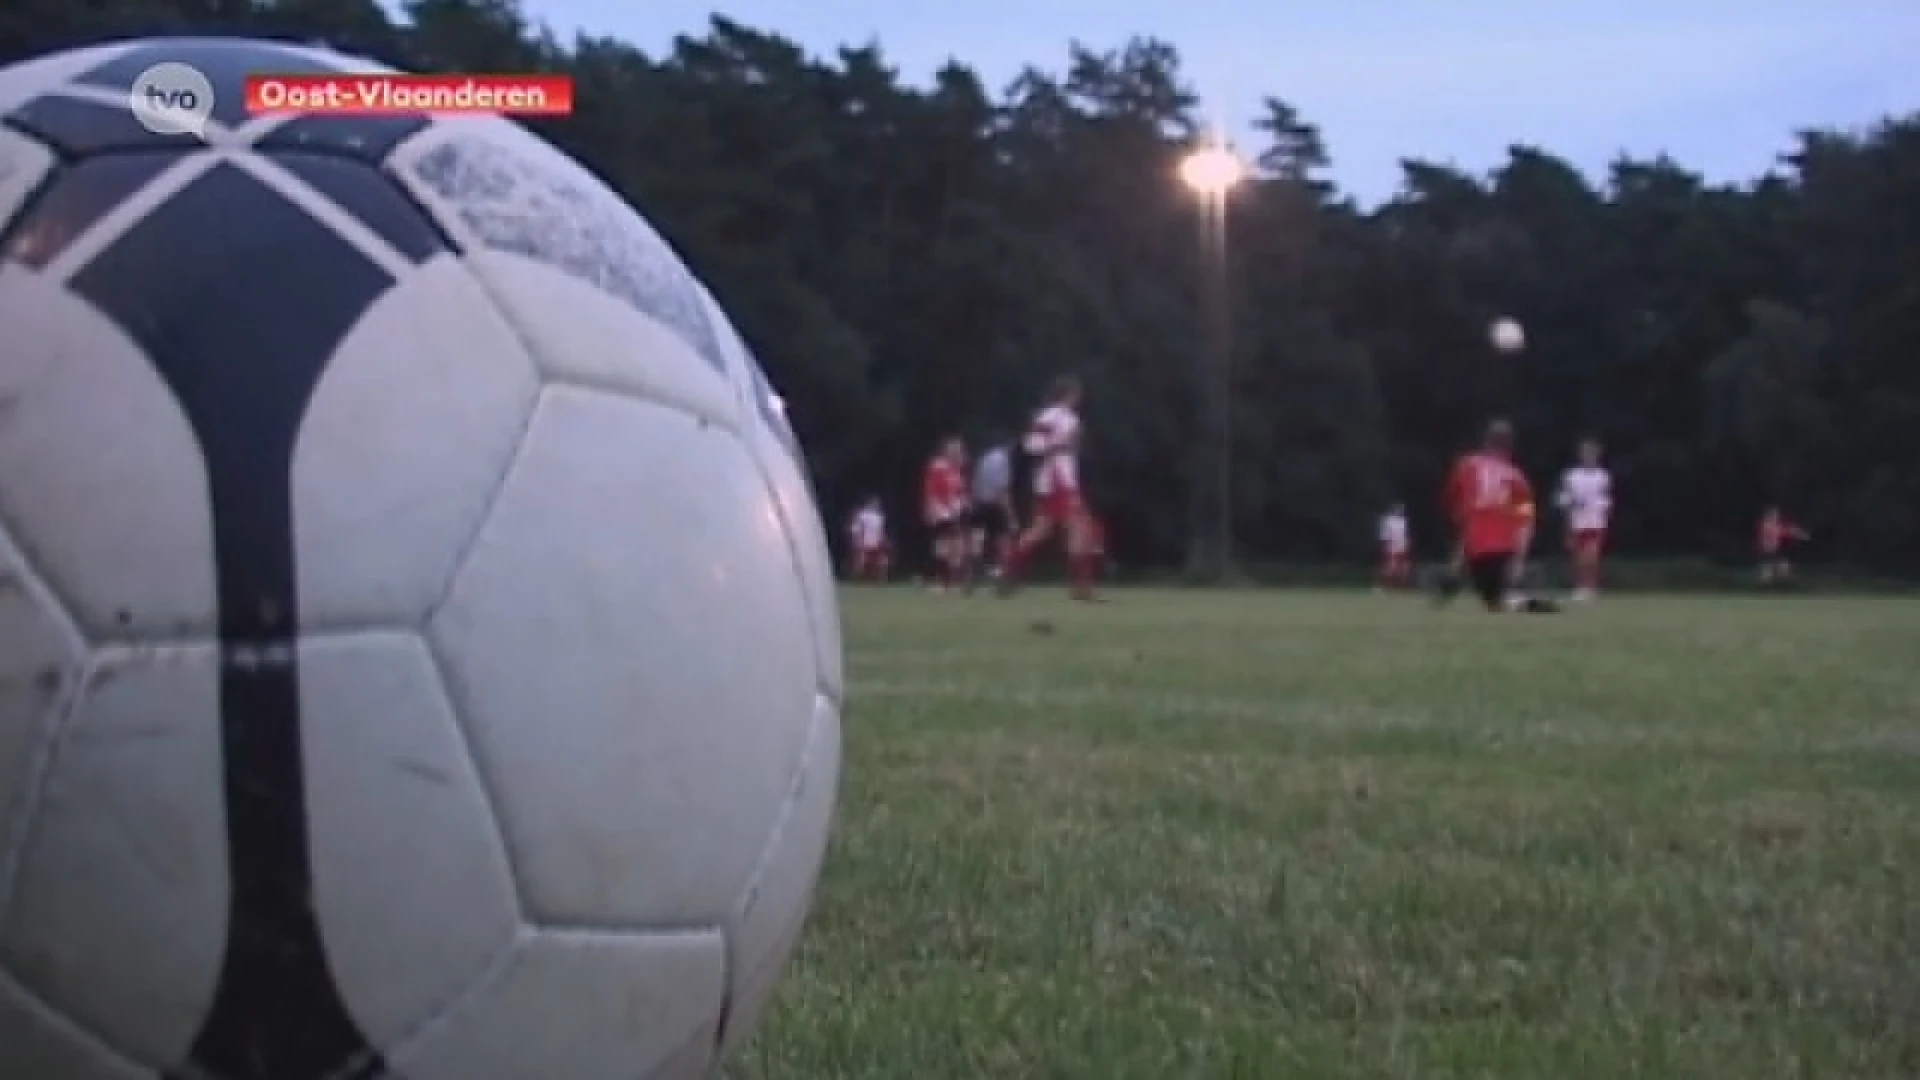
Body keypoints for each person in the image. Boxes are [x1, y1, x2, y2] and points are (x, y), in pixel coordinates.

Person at [1000, 376, 1098, 601]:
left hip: (1056, 479)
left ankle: (1010, 576)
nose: (1079, 398)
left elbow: (1047, 445)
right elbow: (1032, 445)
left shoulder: (1065, 417)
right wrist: (1059, 445)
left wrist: (1066, 445)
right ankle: (1080, 586)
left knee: (1040, 531)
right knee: (1079, 527)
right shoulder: (1053, 416)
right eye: (1076, 394)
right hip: (1057, 480)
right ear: (1068, 394)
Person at [1435, 419, 1539, 612]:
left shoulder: (1466, 465)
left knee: (1494, 600)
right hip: (1505, 550)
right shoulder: (1517, 477)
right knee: (1498, 601)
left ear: (1485, 442)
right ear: (1510, 447)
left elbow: (1451, 500)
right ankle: (1529, 602)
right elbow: (1526, 523)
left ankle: (1453, 577)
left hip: (1477, 549)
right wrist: (1519, 560)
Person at [1556, 437, 1613, 601]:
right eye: (1586, 453)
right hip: (1577, 522)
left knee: (1592, 555)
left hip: (1595, 522)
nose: (1589, 456)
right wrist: (1570, 508)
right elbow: (1565, 498)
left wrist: (1604, 514)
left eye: (1592, 453)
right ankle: (1580, 586)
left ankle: (1592, 586)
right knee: (1578, 557)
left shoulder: (1603, 476)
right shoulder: (1572, 476)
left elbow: (1605, 499)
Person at [921, 436, 969, 592]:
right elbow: (931, 489)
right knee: (945, 546)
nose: (957, 452)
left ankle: (949, 582)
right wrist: (931, 508)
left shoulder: (956, 469)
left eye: (959, 449)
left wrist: (964, 501)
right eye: (954, 449)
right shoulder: (938, 466)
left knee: (956, 548)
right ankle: (941, 582)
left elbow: (958, 490)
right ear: (947, 451)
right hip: (942, 511)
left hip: (954, 512)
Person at [966, 437, 1017, 585]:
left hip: (978, 501)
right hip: (994, 504)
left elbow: (975, 482)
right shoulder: (1003, 461)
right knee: (1002, 537)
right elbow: (1002, 491)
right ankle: (1000, 570)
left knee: (978, 534)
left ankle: (976, 565)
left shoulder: (984, 459)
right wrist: (1011, 516)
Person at [1757, 506, 1809, 584]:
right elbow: (1784, 531)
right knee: (1769, 572)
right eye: (1773, 515)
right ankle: (1767, 586)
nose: (1775, 517)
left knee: (1783, 570)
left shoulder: (1779, 525)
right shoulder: (1766, 525)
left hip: (1779, 551)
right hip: (1769, 552)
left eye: (1776, 515)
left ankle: (1784, 584)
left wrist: (1800, 534)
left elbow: (1790, 530)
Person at [846, 497, 890, 583]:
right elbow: (856, 528)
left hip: (877, 542)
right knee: (861, 562)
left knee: (882, 561)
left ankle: (881, 579)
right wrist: (857, 539)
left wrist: (884, 540)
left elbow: (881, 530)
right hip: (864, 542)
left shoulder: (880, 517)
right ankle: (855, 579)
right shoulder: (862, 515)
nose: (876, 504)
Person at [1377, 503, 1411, 591]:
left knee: (1401, 567)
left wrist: (1406, 544)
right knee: (1389, 567)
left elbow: (1404, 534)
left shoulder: (1403, 521)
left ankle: (1399, 586)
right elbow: (1385, 534)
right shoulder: (1388, 520)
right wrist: (1386, 544)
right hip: (1391, 546)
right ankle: (1385, 585)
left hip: (1401, 545)